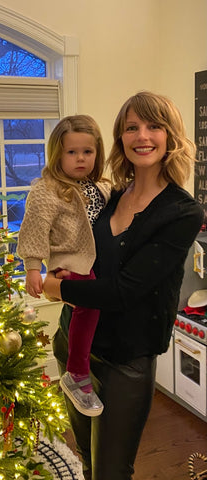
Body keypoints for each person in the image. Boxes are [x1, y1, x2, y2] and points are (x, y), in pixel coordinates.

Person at [43, 91, 204, 480]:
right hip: (74, 345)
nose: (142, 136)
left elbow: (124, 291)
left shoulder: (182, 212)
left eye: (154, 126)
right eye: (131, 127)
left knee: (110, 471)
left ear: (170, 136)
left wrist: (56, 289)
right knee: (85, 454)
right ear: (120, 138)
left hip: (126, 361)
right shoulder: (109, 196)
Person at [17, 115, 111, 416]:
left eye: (88, 152)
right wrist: (33, 267)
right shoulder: (47, 190)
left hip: (98, 261)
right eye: (72, 152)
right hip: (69, 261)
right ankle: (76, 372)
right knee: (88, 303)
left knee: (97, 301)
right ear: (58, 154)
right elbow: (34, 228)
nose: (81, 158)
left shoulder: (102, 185)